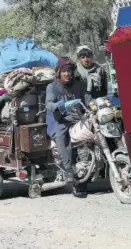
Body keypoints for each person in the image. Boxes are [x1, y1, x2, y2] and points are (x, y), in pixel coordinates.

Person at [46, 57, 90, 198]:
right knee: (63, 137)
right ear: (58, 72)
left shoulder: (78, 85)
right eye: (64, 71)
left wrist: (96, 103)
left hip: (78, 118)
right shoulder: (52, 87)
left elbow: (88, 99)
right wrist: (59, 106)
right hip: (59, 120)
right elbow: (49, 104)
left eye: (70, 70)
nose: (67, 74)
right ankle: (68, 169)